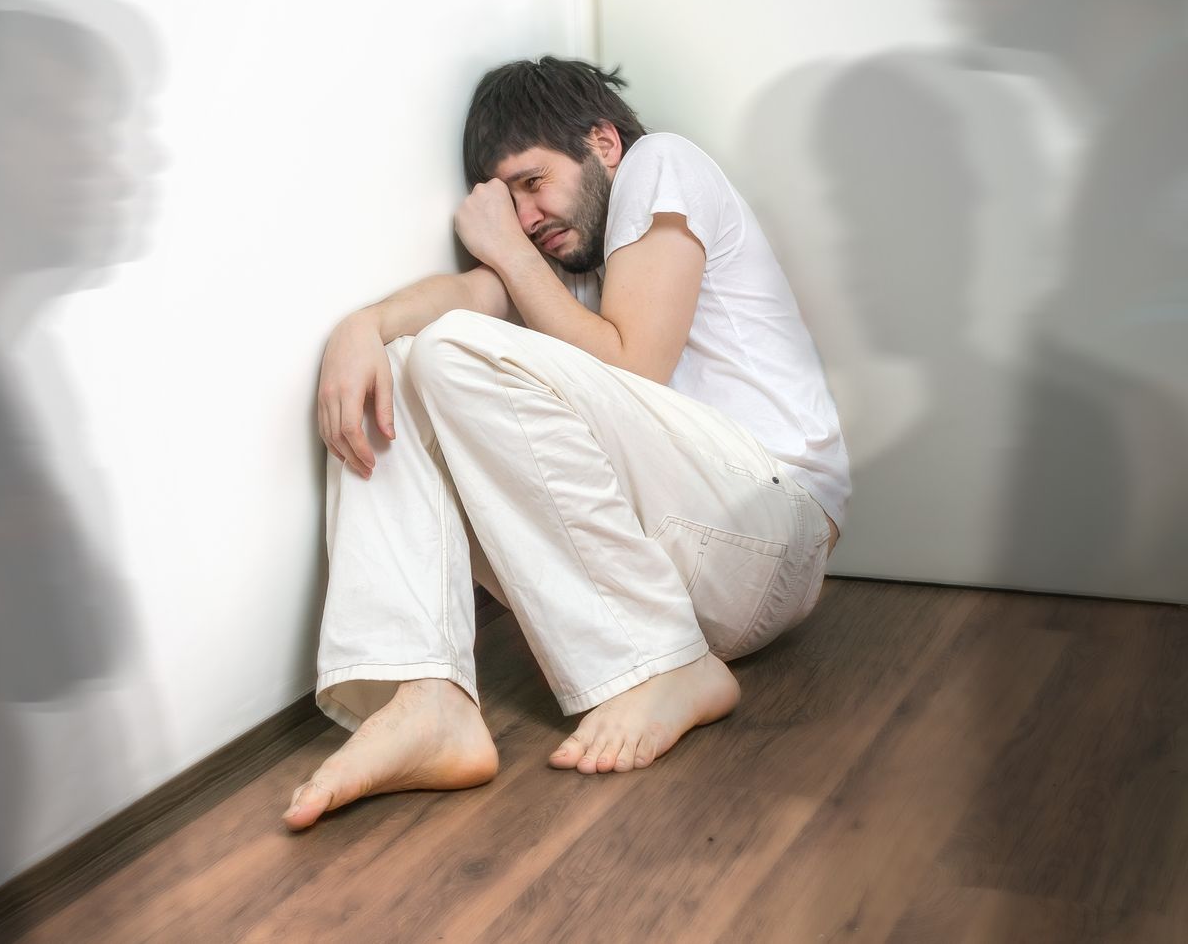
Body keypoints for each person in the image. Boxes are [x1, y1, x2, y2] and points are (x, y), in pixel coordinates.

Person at [283, 56, 848, 831]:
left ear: (602, 144)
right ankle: (425, 693)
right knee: (410, 362)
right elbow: (455, 302)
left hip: (770, 531)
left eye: (531, 182)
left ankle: (668, 663)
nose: (524, 216)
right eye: (506, 200)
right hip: (679, 564)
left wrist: (513, 257)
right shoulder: (561, 264)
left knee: (452, 350)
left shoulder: (661, 164)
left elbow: (635, 364)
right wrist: (363, 328)